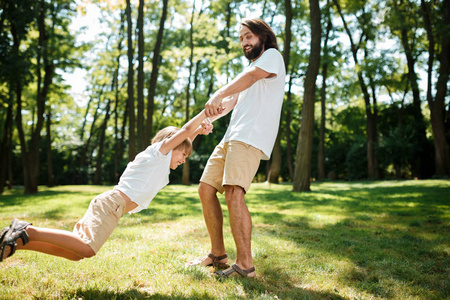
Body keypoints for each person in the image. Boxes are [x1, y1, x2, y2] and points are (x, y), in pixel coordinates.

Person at [0, 110, 213, 262]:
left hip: (111, 205)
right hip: (112, 204)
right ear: (171, 143)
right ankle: (28, 231)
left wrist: (199, 133)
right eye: (183, 154)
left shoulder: (160, 162)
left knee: (75, 253)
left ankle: (16, 243)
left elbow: (185, 138)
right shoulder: (158, 153)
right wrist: (205, 113)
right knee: (87, 249)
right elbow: (184, 131)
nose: (184, 159)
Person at [186, 18, 286, 278]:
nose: (244, 42)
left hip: (250, 137)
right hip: (231, 136)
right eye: (241, 38)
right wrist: (205, 121)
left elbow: (248, 78)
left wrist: (218, 93)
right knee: (206, 189)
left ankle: (245, 265)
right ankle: (218, 254)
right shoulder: (251, 70)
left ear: (263, 37)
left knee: (233, 193)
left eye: (248, 36)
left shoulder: (272, 56)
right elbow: (228, 103)